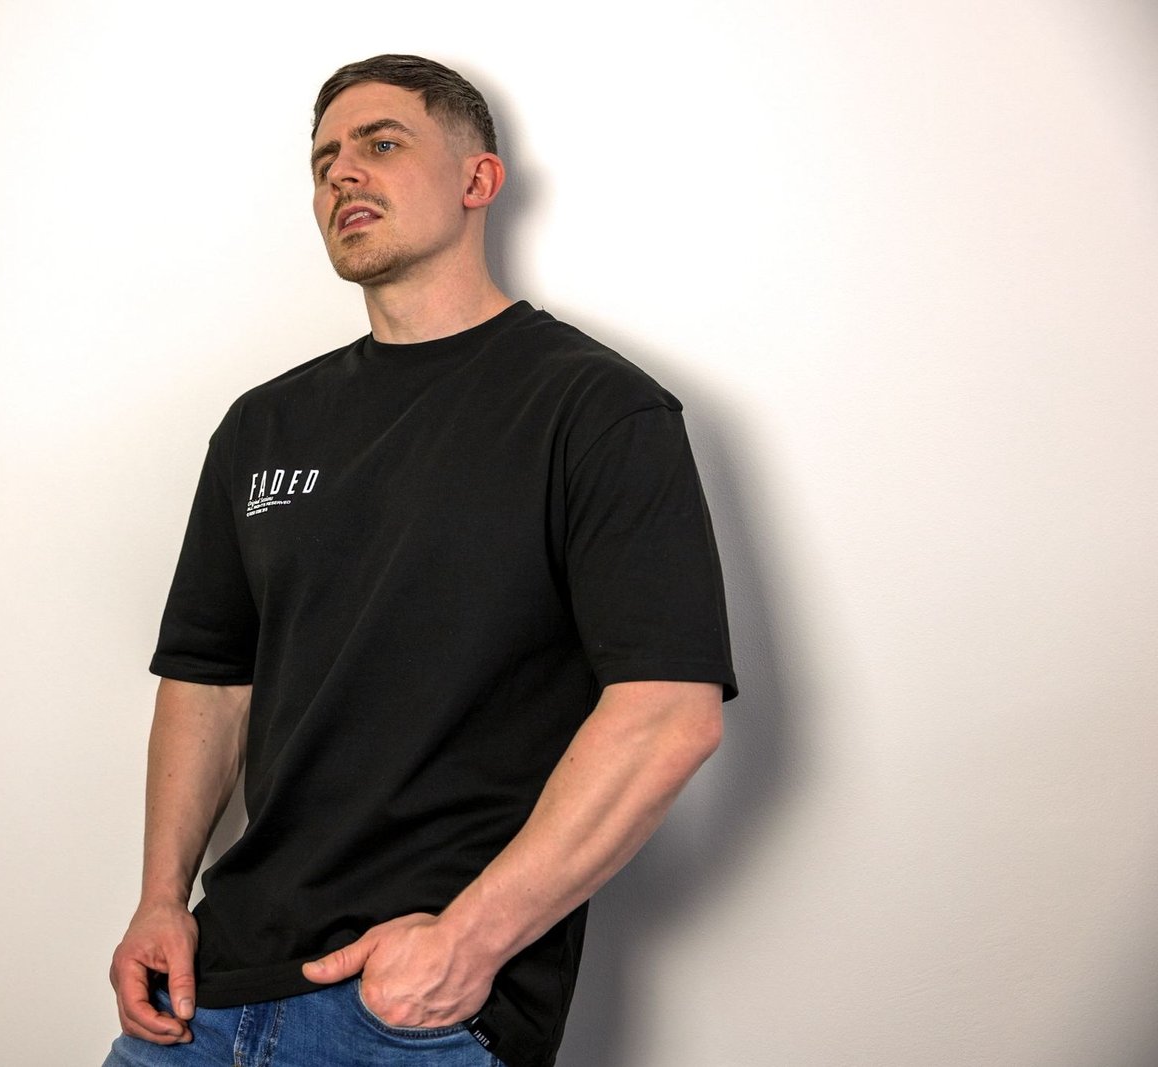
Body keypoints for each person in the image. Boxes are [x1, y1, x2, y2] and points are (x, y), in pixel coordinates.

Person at [104, 54, 738, 1067]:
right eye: (323, 162)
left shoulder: (593, 409)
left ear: (478, 179)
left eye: (381, 143)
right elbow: (209, 678)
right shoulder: (263, 425)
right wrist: (159, 900)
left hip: (415, 1012)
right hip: (205, 994)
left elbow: (668, 712)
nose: (342, 175)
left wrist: (466, 943)